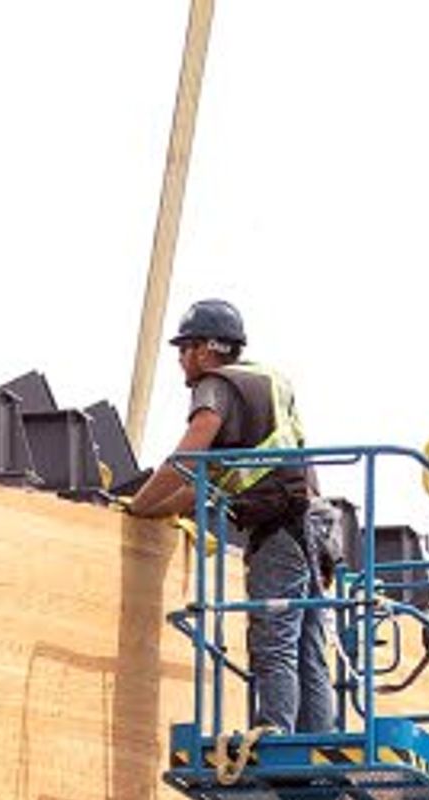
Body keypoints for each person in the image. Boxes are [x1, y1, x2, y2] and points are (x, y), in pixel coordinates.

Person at [127, 297, 338, 738]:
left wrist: (138, 505)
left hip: (279, 529)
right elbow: (199, 489)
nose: (182, 361)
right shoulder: (269, 385)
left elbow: (186, 459)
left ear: (205, 349)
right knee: (308, 645)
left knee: (274, 637)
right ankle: (320, 742)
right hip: (313, 523)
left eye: (184, 350)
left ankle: (275, 731)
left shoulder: (215, 386)